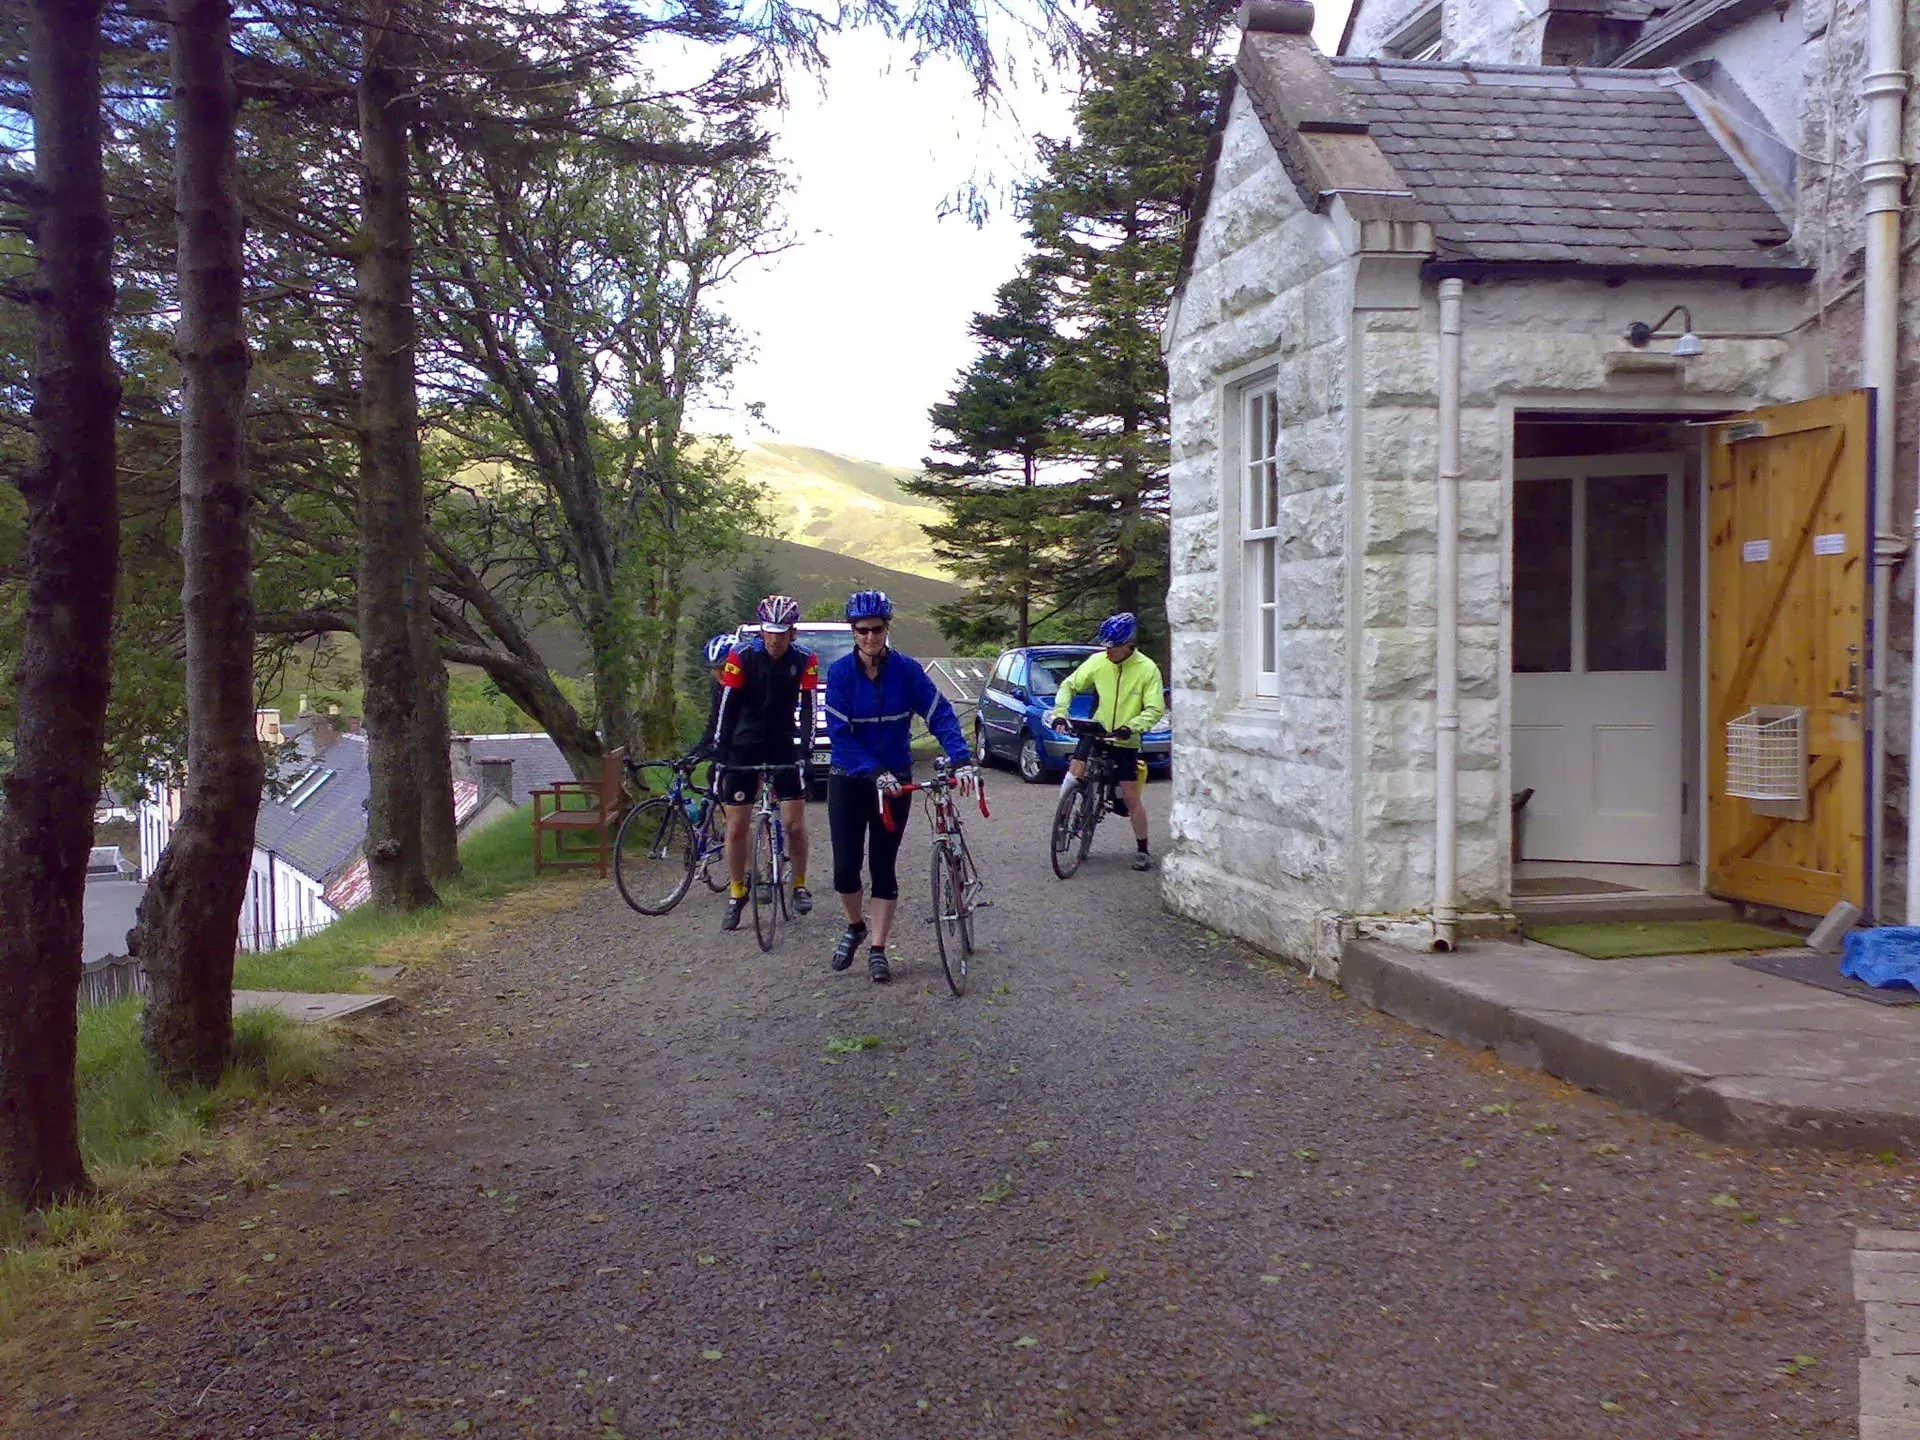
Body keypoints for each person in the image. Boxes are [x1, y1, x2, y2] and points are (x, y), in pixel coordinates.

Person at [823, 589, 978, 983]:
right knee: (845, 870)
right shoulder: (840, 674)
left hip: (895, 784)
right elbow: (840, 735)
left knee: (883, 866)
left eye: (876, 630)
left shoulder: (906, 671)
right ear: (853, 633)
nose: (870, 638)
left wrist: (961, 758)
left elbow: (939, 713)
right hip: (850, 778)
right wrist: (873, 770)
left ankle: (877, 947)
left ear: (887, 629)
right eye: (862, 631)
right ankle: (855, 925)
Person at [712, 596, 817, 931]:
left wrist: (806, 753)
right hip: (745, 744)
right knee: (736, 826)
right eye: (769, 632)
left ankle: (799, 883)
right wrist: (720, 752)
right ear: (760, 630)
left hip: (782, 743)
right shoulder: (740, 657)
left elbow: (809, 708)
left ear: (793, 633)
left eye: (782, 633)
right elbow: (726, 706)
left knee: (794, 824)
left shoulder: (804, 659)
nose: (775, 639)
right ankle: (737, 890)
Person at [1048, 612, 1166, 872]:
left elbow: (1155, 708)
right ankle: (1064, 820)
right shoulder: (1097, 662)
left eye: (1112, 647)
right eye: (1106, 646)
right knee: (1074, 772)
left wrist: (1132, 727)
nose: (1108, 651)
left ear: (1127, 644)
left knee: (1130, 795)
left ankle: (1143, 850)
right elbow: (1069, 685)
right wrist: (1060, 712)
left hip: (1124, 738)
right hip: (1098, 730)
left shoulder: (1147, 669)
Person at [683, 632, 736, 767]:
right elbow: (715, 720)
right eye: (715, 669)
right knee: (713, 776)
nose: (721, 674)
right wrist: (696, 752)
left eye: (725, 667)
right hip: (728, 746)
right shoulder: (716, 685)